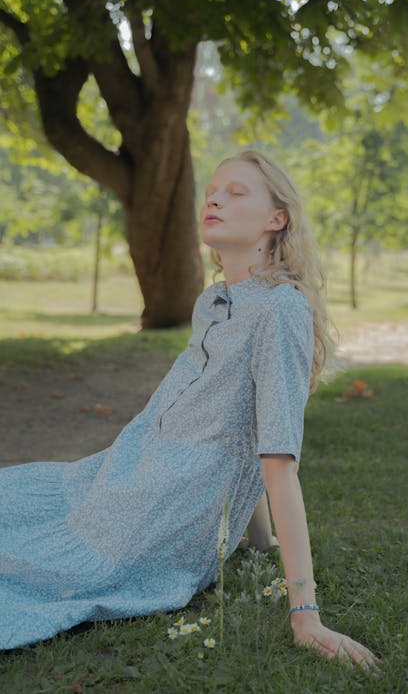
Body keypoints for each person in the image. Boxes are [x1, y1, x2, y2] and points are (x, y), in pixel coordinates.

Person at [0, 149, 381, 672]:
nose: (215, 199)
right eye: (211, 193)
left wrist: (305, 615)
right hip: (125, 466)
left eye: (236, 192)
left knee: (24, 553)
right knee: (14, 497)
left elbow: (274, 459)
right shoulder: (216, 299)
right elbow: (237, 429)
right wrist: (260, 542)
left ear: (277, 218)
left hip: (158, 504)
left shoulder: (280, 309)